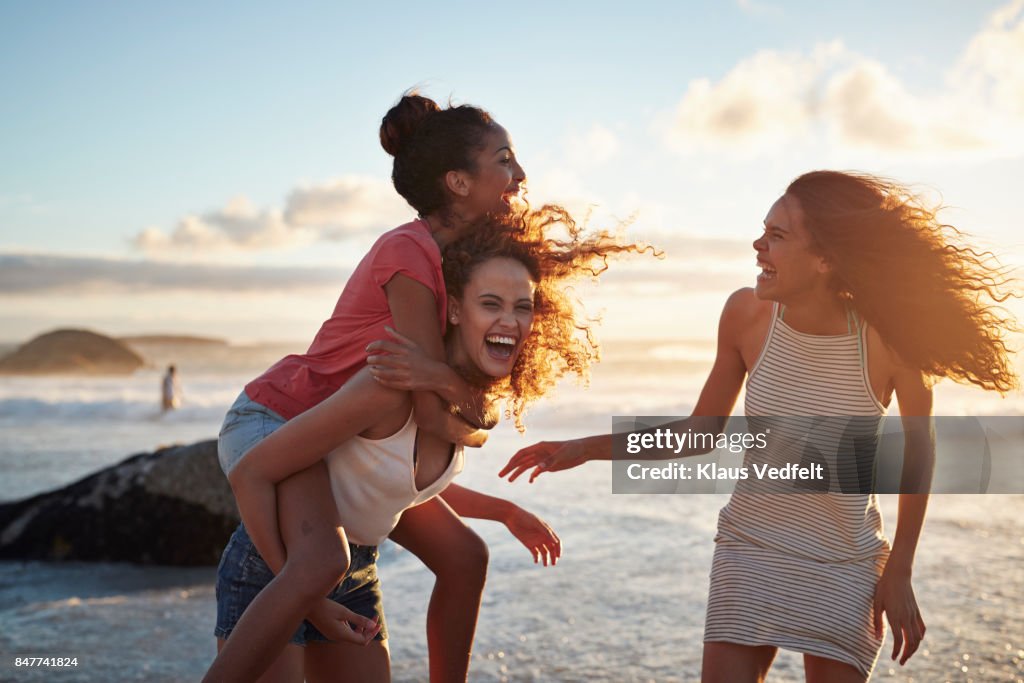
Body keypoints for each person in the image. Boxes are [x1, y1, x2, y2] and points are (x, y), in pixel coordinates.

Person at [500, 171, 1018, 683]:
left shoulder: (890, 341)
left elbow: (918, 454)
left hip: (845, 559)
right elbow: (699, 434)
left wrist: (900, 569)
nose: (757, 245)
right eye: (762, 230)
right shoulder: (746, 316)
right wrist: (584, 447)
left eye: (777, 236)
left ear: (825, 259)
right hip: (750, 545)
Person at [209, 211, 648, 682]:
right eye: (491, 303)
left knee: (469, 554)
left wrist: (505, 511)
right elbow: (252, 471)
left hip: (355, 578)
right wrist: (310, 600)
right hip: (277, 570)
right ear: (456, 309)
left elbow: (390, 483)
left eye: (523, 307)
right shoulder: (391, 384)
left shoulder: (463, 403)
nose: (510, 320)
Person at [204, 91, 528, 683]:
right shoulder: (409, 253)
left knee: (463, 555)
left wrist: (496, 490)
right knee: (323, 560)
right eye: (504, 160)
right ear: (458, 181)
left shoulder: (458, 262)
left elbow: (444, 429)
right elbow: (435, 417)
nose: (520, 175)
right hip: (279, 417)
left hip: (336, 434)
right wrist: (448, 389)